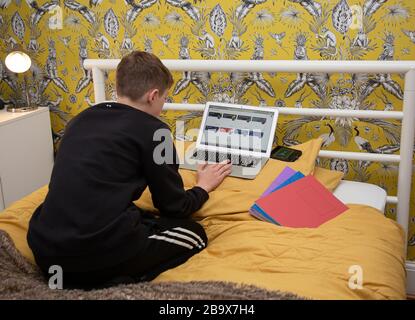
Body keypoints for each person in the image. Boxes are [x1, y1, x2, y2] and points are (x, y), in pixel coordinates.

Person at [27, 51, 232, 289]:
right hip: (90, 256)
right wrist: (202, 187)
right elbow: (174, 207)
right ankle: (119, 282)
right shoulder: (157, 133)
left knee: (134, 216)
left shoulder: (79, 120)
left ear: (117, 87)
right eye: (164, 98)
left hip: (46, 251)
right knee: (195, 235)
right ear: (153, 96)